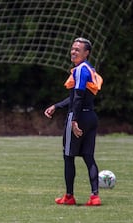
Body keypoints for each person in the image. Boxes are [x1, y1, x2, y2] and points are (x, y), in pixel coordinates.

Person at [44, 37, 102, 206]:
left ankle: (69, 196)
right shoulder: (90, 70)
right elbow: (78, 96)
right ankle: (95, 196)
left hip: (78, 117)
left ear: (86, 53)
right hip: (91, 116)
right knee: (89, 157)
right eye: (73, 48)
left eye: (78, 49)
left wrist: (74, 121)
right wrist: (57, 106)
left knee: (68, 157)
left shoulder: (79, 70)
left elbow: (77, 97)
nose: (74, 51)